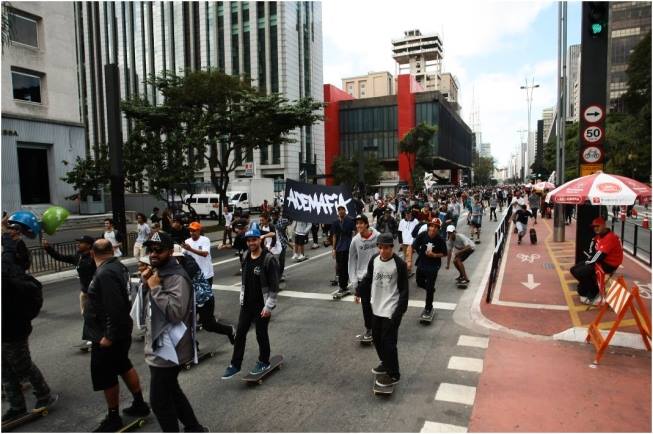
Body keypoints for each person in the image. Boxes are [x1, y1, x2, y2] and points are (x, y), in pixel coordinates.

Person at [141, 232, 206, 432]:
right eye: (150, 249)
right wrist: (147, 284)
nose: (153, 254)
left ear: (170, 251)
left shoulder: (176, 277)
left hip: (169, 350)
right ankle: (194, 428)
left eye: (158, 250)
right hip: (160, 346)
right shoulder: (157, 272)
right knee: (172, 392)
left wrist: (154, 288)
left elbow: (175, 313)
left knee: (159, 402)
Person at [84, 239, 150, 432]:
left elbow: (114, 307)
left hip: (108, 334)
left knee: (107, 374)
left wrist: (109, 336)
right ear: (112, 251)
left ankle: (113, 417)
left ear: (92, 253)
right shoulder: (117, 266)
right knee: (123, 364)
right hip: (119, 329)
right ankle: (139, 403)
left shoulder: (105, 273)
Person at [1, 256, 56, 423]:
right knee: (5, 371)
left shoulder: (8, 278)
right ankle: (16, 407)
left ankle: (44, 394)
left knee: (22, 365)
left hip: (14, 330)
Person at [222, 228, 280, 379]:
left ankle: (264, 361)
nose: (251, 243)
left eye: (254, 239)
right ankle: (235, 364)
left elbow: (274, 285)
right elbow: (245, 279)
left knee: (261, 334)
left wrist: (269, 306)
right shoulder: (247, 255)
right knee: (240, 334)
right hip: (246, 304)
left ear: (259, 240)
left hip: (262, 305)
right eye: (249, 241)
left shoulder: (268, 259)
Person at [357, 232, 409, 388]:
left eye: (387, 248)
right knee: (377, 339)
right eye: (381, 247)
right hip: (377, 307)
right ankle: (385, 363)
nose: (383, 251)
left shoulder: (399, 264)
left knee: (389, 343)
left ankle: (394, 374)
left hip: (391, 310)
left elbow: (404, 291)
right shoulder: (374, 260)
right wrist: (359, 290)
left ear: (392, 247)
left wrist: (398, 313)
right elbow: (368, 278)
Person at [42, 235, 97, 348]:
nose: (78, 244)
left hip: (95, 292)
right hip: (84, 292)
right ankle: (95, 336)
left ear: (88, 245)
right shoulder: (78, 256)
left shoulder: (94, 257)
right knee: (86, 315)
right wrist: (48, 248)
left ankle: (94, 338)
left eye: (81, 242)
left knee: (91, 316)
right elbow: (60, 257)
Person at [175, 245, 235, 346]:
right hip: (191, 299)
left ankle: (230, 330)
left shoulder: (189, 264)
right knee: (184, 323)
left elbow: (183, 276)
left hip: (204, 298)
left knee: (209, 325)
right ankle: (193, 345)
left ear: (178, 257)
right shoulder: (179, 263)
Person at [570, 217, 624, 305]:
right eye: (594, 227)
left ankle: (593, 292)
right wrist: (590, 256)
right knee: (574, 269)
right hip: (601, 260)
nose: (595, 228)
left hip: (609, 264)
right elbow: (594, 248)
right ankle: (588, 288)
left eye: (598, 226)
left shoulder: (610, 237)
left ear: (604, 226)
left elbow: (600, 255)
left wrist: (589, 261)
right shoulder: (600, 235)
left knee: (582, 271)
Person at [406, 218, 447, 320]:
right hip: (422, 263)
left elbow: (444, 253)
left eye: (436, 227)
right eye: (431, 226)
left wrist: (434, 255)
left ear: (438, 229)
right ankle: (430, 289)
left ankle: (428, 308)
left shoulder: (440, 239)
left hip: (433, 266)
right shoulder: (423, 235)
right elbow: (412, 246)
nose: (433, 229)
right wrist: (409, 261)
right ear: (429, 226)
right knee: (419, 282)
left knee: (429, 288)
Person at [348, 214, 380, 342]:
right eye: (357, 223)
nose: (358, 226)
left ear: (367, 224)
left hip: (378, 275)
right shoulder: (355, 240)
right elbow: (351, 261)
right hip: (363, 277)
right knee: (366, 305)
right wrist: (354, 281)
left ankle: (381, 326)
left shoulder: (377, 236)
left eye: (361, 223)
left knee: (379, 302)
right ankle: (369, 329)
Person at [331, 205, 356, 298]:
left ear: (345, 211)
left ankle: (345, 285)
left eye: (342, 210)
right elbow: (334, 236)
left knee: (347, 266)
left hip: (348, 246)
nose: (341, 212)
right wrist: (333, 249)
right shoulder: (335, 222)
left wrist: (355, 244)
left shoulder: (350, 220)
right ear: (338, 212)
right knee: (340, 267)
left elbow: (355, 232)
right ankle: (343, 286)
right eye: (339, 210)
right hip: (339, 247)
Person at [270, 209, 292, 282]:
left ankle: (280, 275)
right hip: (274, 244)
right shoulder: (270, 222)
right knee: (274, 261)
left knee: (281, 261)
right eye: (272, 215)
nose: (273, 216)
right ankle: (276, 275)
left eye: (275, 215)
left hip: (282, 243)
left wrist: (289, 214)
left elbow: (290, 221)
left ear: (278, 214)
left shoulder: (282, 220)